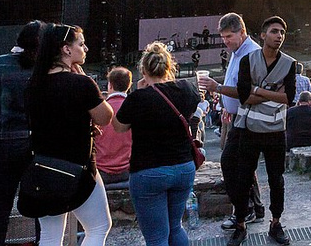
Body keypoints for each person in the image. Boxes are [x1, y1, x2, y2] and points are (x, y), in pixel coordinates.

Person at [24, 24, 113, 246]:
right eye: (81, 44)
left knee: (50, 236)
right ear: (66, 49)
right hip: (78, 167)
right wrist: (88, 87)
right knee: (99, 227)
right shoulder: (81, 83)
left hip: (43, 168)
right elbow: (105, 117)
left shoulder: (33, 84)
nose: (86, 48)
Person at [112, 42, 200, 246]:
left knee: (157, 237)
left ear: (143, 70)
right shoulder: (186, 89)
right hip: (183, 167)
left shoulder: (138, 98)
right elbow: (193, 112)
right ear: (168, 67)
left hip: (148, 171)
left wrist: (139, 90)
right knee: (175, 227)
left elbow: (118, 127)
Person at [205, 13, 264, 231]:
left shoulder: (253, 53)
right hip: (238, 115)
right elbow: (234, 82)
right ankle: (255, 207)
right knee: (244, 164)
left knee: (230, 162)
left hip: (249, 117)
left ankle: (244, 209)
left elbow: (248, 91)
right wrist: (227, 106)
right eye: (223, 37)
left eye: (229, 36)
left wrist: (217, 88)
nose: (226, 41)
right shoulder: (237, 51)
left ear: (243, 32)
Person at [0, 21, 41, 245]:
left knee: (0, 207)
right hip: (36, 145)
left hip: (2, 145)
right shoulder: (43, 69)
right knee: (39, 206)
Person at [96, 67, 133, 186]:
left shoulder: (99, 110)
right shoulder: (135, 108)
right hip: (128, 171)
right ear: (129, 85)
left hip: (102, 172)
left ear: (110, 85)